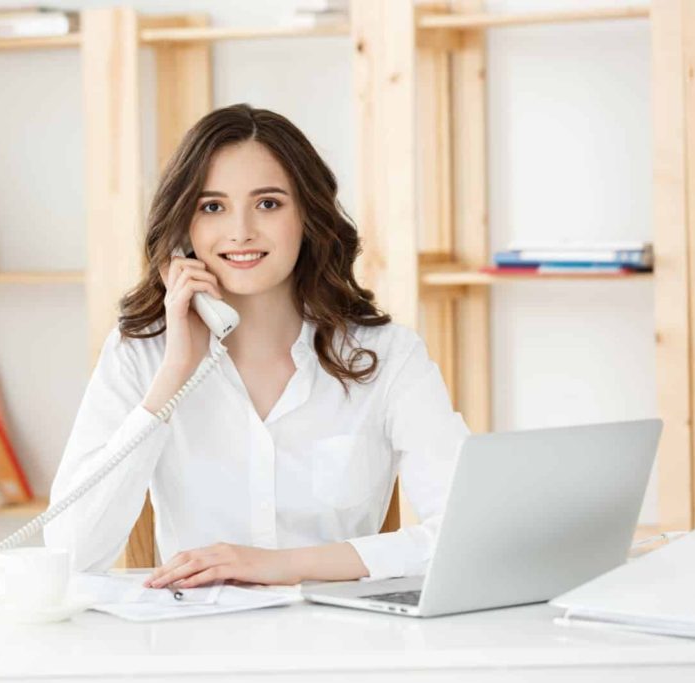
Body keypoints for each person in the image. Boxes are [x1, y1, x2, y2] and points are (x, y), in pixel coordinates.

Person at [44, 103, 469, 591]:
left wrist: (285, 565)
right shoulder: (140, 355)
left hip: (340, 650)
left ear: (308, 215)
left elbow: (465, 534)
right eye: (212, 207)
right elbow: (68, 553)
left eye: (268, 204)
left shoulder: (388, 356)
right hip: (197, 652)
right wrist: (174, 374)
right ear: (183, 230)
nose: (241, 231)